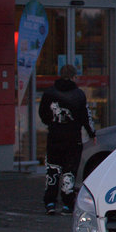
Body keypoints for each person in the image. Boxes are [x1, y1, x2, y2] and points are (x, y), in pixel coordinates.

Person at [39, 64, 96, 214]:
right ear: (73, 77)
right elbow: (86, 117)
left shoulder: (49, 93)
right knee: (69, 170)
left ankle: (50, 202)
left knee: (53, 168)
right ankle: (67, 203)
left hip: (54, 137)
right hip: (72, 138)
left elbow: (43, 114)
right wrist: (92, 134)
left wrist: (52, 124)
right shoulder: (78, 94)